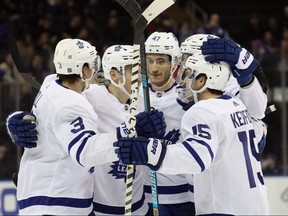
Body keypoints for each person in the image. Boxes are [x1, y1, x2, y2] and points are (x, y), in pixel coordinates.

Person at [5, 39, 165, 215]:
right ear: (113, 74)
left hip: (125, 204)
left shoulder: (53, 85)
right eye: (132, 70)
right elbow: (85, 151)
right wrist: (16, 123)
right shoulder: (83, 99)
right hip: (66, 202)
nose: (139, 75)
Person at [114, 53, 271, 215]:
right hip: (256, 204)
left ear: (202, 80)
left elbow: (197, 157)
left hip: (224, 209)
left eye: (188, 74)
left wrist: (150, 153)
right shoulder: (237, 105)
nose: (183, 81)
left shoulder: (201, 111)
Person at [143, 31, 195, 216]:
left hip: (185, 195)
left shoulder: (188, 96)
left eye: (160, 61)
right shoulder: (135, 96)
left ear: (174, 62)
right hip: (147, 197)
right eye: (149, 61)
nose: (154, 68)